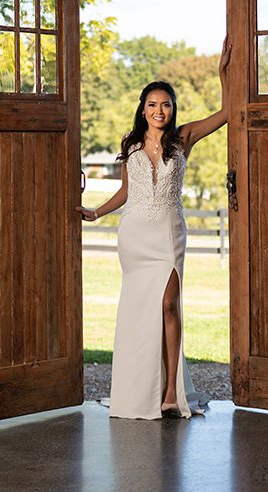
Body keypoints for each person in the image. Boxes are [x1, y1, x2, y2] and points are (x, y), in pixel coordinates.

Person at [76, 36, 232, 419]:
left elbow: (229, 111)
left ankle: (170, 392)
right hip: (134, 236)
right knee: (139, 312)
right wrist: (95, 212)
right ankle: (141, 389)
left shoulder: (185, 137)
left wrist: (222, 71)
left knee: (168, 305)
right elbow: (127, 191)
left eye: (165, 104)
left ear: (172, 109)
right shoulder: (130, 143)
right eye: (152, 104)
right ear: (143, 110)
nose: (159, 110)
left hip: (168, 234)